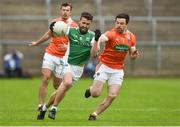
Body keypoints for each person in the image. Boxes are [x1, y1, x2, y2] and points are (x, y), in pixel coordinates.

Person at [37, 11, 101, 120]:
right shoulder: (70, 30)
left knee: (61, 90)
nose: (84, 25)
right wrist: (53, 27)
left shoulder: (93, 36)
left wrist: (96, 41)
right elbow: (58, 30)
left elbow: (94, 55)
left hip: (79, 68)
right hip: (66, 62)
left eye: (87, 24)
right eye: (83, 23)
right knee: (67, 82)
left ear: (90, 24)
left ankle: (44, 108)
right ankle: (54, 109)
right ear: (79, 21)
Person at [84, 13, 140, 120]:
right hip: (104, 66)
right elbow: (102, 38)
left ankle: (94, 114)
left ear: (126, 24)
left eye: (122, 23)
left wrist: (134, 54)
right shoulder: (111, 33)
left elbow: (132, 52)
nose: (119, 25)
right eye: (117, 23)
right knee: (95, 94)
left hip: (118, 70)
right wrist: (97, 41)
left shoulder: (131, 37)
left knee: (112, 95)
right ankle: (90, 90)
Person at [28, 2, 77, 120]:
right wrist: (36, 43)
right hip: (50, 53)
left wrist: (67, 48)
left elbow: (75, 42)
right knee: (45, 77)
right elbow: (48, 34)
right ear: (60, 10)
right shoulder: (55, 22)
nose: (65, 12)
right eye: (63, 9)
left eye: (67, 10)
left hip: (63, 58)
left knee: (58, 86)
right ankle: (40, 105)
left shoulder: (74, 26)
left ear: (71, 12)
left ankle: (51, 107)